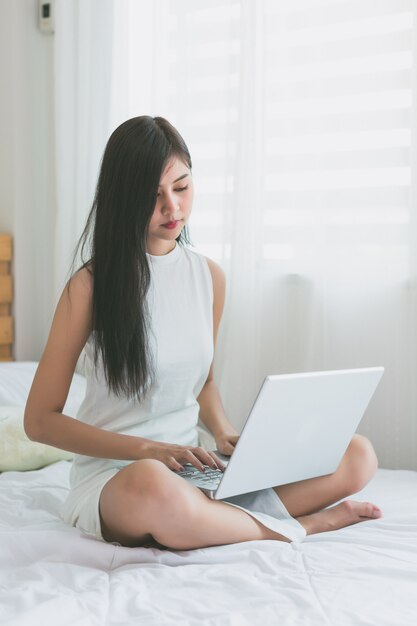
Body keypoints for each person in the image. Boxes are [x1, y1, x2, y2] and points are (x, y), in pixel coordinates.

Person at [24, 116, 382, 550]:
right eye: (152, 195)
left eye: (182, 187)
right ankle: (304, 525)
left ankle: (212, 517)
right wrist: (145, 449)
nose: (172, 209)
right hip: (123, 478)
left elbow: (205, 382)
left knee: (357, 455)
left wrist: (225, 433)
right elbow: (40, 421)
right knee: (155, 488)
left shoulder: (208, 276)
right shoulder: (89, 287)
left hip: (196, 470)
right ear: (122, 197)